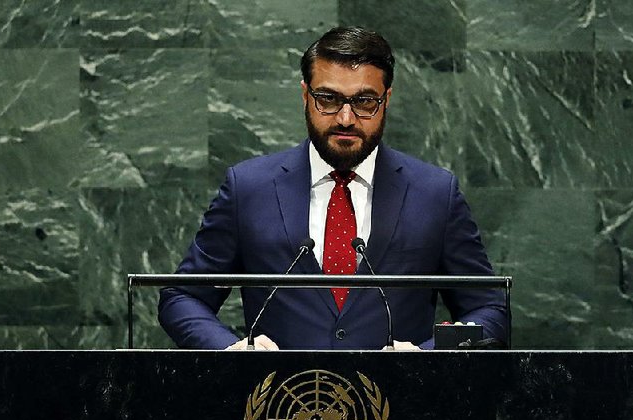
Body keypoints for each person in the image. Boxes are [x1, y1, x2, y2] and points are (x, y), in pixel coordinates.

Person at [158, 26, 507, 350]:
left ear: (387, 98)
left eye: (364, 102)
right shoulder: (249, 188)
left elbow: (489, 309)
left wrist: (426, 356)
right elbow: (183, 297)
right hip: (277, 407)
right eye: (328, 99)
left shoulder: (435, 193)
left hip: (401, 404)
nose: (345, 118)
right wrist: (233, 351)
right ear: (305, 95)